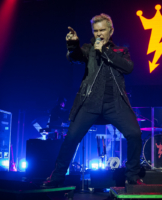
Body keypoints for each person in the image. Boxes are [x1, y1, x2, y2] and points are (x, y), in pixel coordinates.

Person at [42, 13, 143, 188]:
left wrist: (104, 50)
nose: (99, 34)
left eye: (102, 30)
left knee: (134, 134)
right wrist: (72, 44)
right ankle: (57, 177)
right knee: (71, 138)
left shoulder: (120, 51)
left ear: (111, 31)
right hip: (89, 103)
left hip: (115, 104)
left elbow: (128, 67)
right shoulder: (89, 49)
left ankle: (132, 176)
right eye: (96, 30)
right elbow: (75, 56)